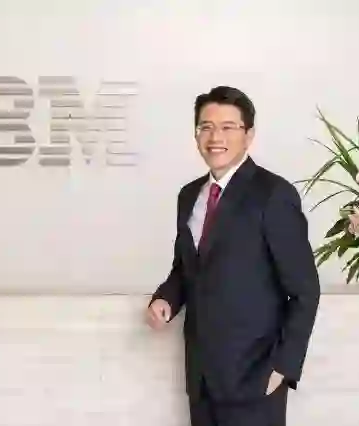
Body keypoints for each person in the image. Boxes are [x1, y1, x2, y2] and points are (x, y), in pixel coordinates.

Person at [145, 86, 320, 426]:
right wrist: (166, 298)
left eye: (228, 127)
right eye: (206, 127)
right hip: (201, 378)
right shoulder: (189, 196)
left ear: (248, 135)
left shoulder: (273, 195)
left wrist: (283, 367)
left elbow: (305, 290)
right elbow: (187, 268)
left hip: (255, 377)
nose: (215, 137)